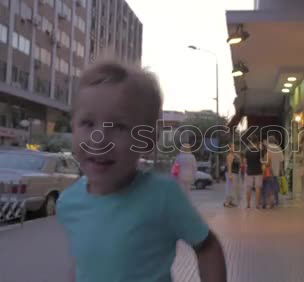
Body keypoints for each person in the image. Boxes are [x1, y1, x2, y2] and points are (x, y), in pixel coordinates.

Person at [56, 60, 226, 282]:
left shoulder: (163, 196)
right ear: (73, 128)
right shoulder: (69, 203)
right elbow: (83, 262)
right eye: (88, 123)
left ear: (147, 141)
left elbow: (208, 248)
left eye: (119, 126)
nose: (99, 140)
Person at [243, 136, 264, 209]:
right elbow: (262, 161)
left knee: (248, 188)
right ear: (257, 142)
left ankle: (248, 204)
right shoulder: (259, 151)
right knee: (258, 188)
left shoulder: (247, 151)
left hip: (249, 171)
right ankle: (257, 205)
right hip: (258, 171)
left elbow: (245, 162)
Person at [263, 136, 284, 207]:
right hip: (276, 170)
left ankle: (267, 201)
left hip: (268, 171)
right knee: (275, 186)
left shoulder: (267, 148)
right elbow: (281, 161)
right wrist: (281, 171)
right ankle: (276, 201)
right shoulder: (278, 148)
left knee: (268, 186)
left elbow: (265, 159)